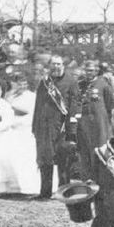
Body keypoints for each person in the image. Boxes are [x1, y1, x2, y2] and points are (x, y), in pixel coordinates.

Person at [31, 55, 78, 199]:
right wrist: (35, 125)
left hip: (62, 126)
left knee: (63, 160)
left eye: (59, 64)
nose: (56, 67)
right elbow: (38, 105)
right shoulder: (44, 82)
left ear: (63, 65)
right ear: (49, 65)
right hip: (44, 127)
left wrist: (72, 130)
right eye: (53, 64)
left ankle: (64, 192)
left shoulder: (71, 82)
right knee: (45, 159)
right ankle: (45, 192)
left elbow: (74, 106)